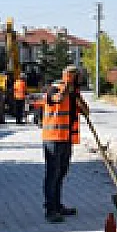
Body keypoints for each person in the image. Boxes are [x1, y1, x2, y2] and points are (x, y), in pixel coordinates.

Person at [41, 66, 88, 223]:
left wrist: (78, 98)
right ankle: (50, 209)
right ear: (71, 77)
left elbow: (86, 111)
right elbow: (58, 99)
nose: (81, 79)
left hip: (66, 139)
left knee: (61, 173)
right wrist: (68, 85)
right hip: (53, 139)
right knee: (52, 174)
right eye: (79, 77)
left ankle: (58, 205)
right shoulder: (53, 89)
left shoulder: (75, 94)